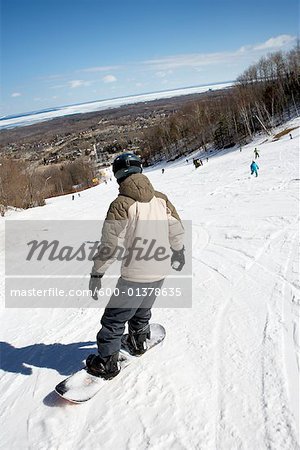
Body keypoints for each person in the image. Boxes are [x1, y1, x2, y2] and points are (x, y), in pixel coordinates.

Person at [87, 153, 185, 379]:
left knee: (114, 319)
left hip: (135, 274)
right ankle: (139, 340)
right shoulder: (161, 198)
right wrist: (178, 252)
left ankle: (106, 363)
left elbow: (109, 246)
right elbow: (176, 229)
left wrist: (97, 273)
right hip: (160, 270)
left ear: (118, 176)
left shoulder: (121, 204)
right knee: (142, 309)